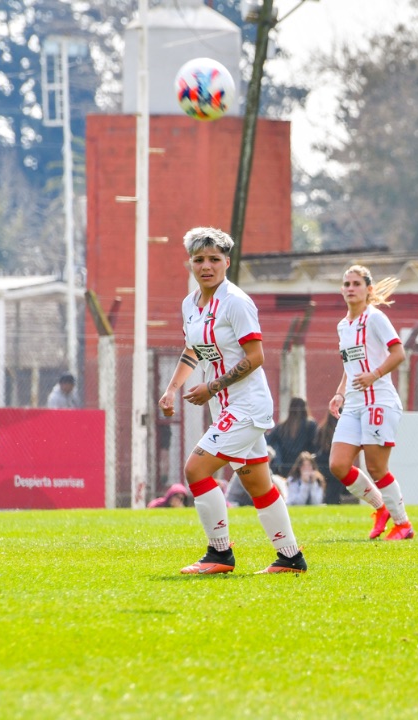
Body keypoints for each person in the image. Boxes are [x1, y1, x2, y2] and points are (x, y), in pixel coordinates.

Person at [158, 226, 306, 574]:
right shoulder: (189, 305)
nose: (206, 266)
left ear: (227, 262)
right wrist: (171, 389)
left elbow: (256, 357)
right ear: (190, 264)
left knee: (196, 469)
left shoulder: (236, 302)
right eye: (198, 259)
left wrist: (211, 387)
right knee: (258, 485)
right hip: (223, 406)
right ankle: (290, 558)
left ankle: (219, 554)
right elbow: (192, 352)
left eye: (213, 259)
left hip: (247, 405)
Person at [328, 264, 415, 541]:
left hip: (379, 400)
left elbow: (399, 353)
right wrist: (340, 393)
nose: (350, 288)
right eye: (346, 284)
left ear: (369, 290)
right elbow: (350, 365)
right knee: (338, 466)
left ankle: (403, 525)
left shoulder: (375, 318)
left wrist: (375, 374)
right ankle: (381, 508)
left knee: (376, 468)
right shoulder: (343, 325)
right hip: (353, 403)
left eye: (356, 284)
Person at [266, 397, 317, 478]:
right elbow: (315, 446)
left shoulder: (281, 427)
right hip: (303, 468)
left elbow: (268, 441)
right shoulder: (310, 425)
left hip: (284, 469)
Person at [313, 411, 344, 504]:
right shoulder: (342, 431)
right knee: (335, 491)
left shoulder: (322, 429)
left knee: (327, 489)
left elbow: (316, 446)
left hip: (323, 464)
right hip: (337, 463)